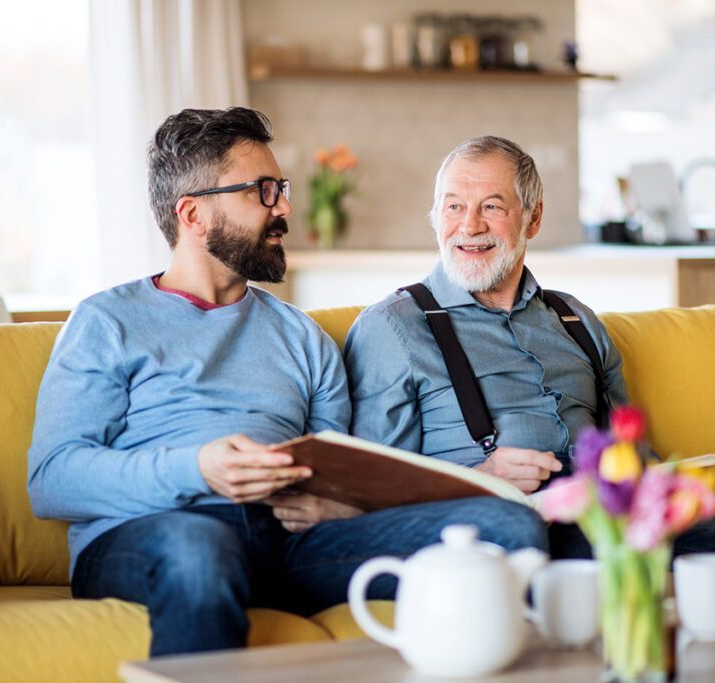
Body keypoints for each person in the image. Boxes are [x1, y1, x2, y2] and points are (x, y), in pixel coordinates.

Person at [27, 110, 548, 657]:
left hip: (289, 546)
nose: (285, 208)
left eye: (282, 189)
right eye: (264, 192)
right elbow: (53, 478)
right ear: (194, 214)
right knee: (199, 546)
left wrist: (334, 502)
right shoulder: (108, 321)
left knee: (502, 525)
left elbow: (333, 471)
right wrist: (199, 468)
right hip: (158, 534)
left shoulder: (303, 337)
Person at [343, 135, 715, 594]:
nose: (469, 226)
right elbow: (371, 495)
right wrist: (481, 476)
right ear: (435, 217)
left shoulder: (574, 319)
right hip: (503, 533)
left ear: (532, 219)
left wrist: (657, 480)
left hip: (611, 518)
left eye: (491, 207)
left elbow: (627, 444)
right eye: (454, 207)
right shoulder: (394, 326)